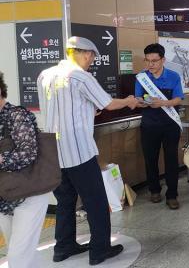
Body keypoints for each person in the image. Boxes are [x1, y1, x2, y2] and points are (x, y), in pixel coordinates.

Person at [38, 37, 138, 265]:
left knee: (65, 200)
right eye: (92, 57)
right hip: (78, 151)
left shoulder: (45, 75)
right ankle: (100, 250)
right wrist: (129, 101)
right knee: (95, 201)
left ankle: (63, 247)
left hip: (55, 152)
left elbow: (56, 108)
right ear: (86, 54)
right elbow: (108, 104)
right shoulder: (80, 77)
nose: (91, 61)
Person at [0, 72, 49, 268]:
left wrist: (1, 159)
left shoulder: (17, 115)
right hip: (5, 194)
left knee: (18, 255)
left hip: (30, 192)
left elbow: (29, 153)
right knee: (19, 249)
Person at [135, 43, 184, 210]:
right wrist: (142, 102)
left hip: (170, 125)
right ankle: (154, 190)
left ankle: (172, 195)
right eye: (147, 60)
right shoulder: (141, 77)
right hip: (149, 124)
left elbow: (178, 99)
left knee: (171, 160)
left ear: (163, 60)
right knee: (150, 159)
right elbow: (138, 99)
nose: (151, 64)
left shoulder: (174, 76)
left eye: (154, 61)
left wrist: (163, 103)